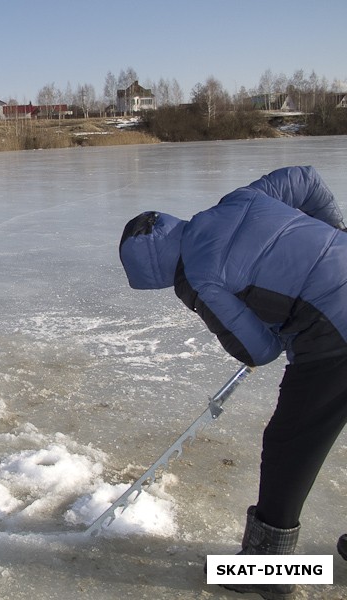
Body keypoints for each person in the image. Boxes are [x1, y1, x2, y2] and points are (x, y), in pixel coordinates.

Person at [118, 166, 347, 600]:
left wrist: (278, 321)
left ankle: (267, 569)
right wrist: (333, 232)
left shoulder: (199, 277)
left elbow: (258, 351)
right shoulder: (240, 199)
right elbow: (306, 179)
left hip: (335, 333)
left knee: (291, 444)